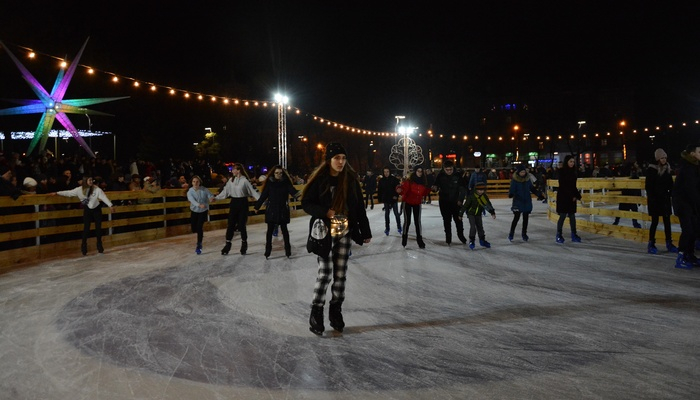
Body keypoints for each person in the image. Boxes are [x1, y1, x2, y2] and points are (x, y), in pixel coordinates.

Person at [301, 142, 372, 335]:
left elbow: (359, 207)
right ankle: (316, 311)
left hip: (344, 230)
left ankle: (336, 311)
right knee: (325, 273)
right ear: (329, 160)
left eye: (343, 158)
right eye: (337, 158)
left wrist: (365, 231)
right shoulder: (320, 180)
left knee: (340, 274)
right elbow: (306, 203)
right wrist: (325, 211)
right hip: (324, 231)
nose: (341, 162)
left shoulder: (350, 179)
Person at [52, 175, 115, 255]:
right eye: (89, 180)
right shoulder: (79, 190)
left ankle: (100, 247)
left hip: (96, 209)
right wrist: (58, 193)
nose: (91, 182)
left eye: (92, 180)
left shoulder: (96, 189)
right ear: (85, 181)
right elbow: (69, 193)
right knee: (86, 228)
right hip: (87, 210)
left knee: (98, 228)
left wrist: (110, 205)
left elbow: (103, 197)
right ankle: (84, 247)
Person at [254, 165, 300, 259]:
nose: (279, 175)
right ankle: (268, 251)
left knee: (285, 231)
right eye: (277, 173)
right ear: (273, 173)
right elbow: (263, 196)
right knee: (269, 232)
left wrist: (300, 197)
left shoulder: (286, 183)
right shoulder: (270, 184)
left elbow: (293, 191)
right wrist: (257, 207)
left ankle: (288, 250)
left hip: (283, 209)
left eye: (280, 173)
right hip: (272, 210)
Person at [215, 163, 260, 255]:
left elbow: (253, 192)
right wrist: (216, 198)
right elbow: (225, 192)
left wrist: (261, 201)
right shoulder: (231, 180)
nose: (232, 171)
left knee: (241, 225)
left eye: (233, 169)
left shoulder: (245, 181)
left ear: (238, 170)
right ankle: (228, 244)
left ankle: (244, 243)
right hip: (234, 203)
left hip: (243, 203)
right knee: (230, 224)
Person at [671, 143, 700, 269]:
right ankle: (681, 257)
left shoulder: (695, 166)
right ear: (692, 154)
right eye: (699, 152)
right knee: (688, 230)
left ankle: (689, 255)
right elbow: (690, 189)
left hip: (690, 203)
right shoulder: (687, 167)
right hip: (683, 203)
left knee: (694, 230)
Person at [645, 148, 678, 254]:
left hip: (665, 200)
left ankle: (669, 242)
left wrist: (669, 194)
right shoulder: (652, 170)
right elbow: (648, 187)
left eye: (665, 158)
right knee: (654, 222)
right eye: (662, 158)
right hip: (655, 200)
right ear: (658, 158)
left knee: (667, 222)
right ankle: (651, 243)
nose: (664, 160)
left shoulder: (667, 169)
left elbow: (670, 184)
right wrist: (653, 198)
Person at [431, 160, 468, 245]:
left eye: (450, 169)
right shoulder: (440, 176)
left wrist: (460, 200)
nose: (449, 171)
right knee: (446, 220)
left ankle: (460, 235)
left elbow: (462, 189)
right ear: (444, 169)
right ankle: (448, 237)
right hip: (444, 202)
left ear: (453, 168)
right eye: (447, 169)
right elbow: (436, 186)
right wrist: (434, 188)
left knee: (458, 220)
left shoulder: (458, 176)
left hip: (455, 202)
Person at [396, 165, 431, 248]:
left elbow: (425, 192)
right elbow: (402, 188)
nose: (419, 173)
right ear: (415, 172)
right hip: (407, 202)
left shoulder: (423, 182)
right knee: (407, 221)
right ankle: (404, 238)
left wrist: (431, 188)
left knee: (417, 222)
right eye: (418, 171)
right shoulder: (409, 181)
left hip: (417, 203)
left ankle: (420, 240)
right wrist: (398, 188)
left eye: (421, 171)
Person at [458, 181, 496, 249]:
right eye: (479, 190)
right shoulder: (471, 196)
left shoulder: (484, 196)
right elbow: (465, 206)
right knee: (473, 227)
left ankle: (482, 240)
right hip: (471, 214)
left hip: (478, 214)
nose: (481, 191)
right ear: (476, 189)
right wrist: (460, 214)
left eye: (482, 190)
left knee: (480, 227)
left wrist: (492, 212)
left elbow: (488, 204)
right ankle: (472, 240)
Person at [555, 155, 582, 244]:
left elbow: (573, 186)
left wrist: (577, 195)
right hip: (563, 196)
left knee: (572, 216)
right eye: (570, 162)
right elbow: (563, 185)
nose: (572, 163)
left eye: (573, 162)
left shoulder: (573, 172)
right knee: (562, 215)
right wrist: (572, 195)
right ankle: (559, 234)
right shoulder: (562, 172)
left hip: (571, 197)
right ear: (566, 162)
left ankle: (574, 234)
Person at [187, 175, 216, 255]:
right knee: (194, 228)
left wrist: (211, 198)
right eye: (194, 181)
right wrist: (199, 205)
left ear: (199, 182)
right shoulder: (190, 191)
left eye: (197, 181)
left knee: (199, 227)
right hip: (194, 211)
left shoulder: (204, 189)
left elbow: (210, 195)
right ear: (192, 183)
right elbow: (192, 200)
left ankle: (199, 244)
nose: (195, 183)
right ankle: (200, 235)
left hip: (203, 211)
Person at [612, 162, 643, 228]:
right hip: (629, 194)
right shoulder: (631, 174)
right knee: (625, 209)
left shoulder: (633, 175)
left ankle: (634, 223)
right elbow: (638, 187)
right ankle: (617, 221)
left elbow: (638, 187)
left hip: (630, 195)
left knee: (632, 209)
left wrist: (639, 198)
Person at [508, 164, 533, 242]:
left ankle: (524, 234)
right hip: (518, 201)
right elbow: (512, 189)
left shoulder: (527, 179)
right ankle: (511, 233)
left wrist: (539, 194)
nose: (523, 173)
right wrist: (511, 194)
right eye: (521, 172)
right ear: (518, 172)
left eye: (524, 172)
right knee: (516, 218)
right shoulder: (515, 180)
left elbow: (532, 188)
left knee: (525, 219)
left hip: (527, 201)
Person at [376, 166, 402, 235]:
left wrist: (396, 196)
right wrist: (380, 198)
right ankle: (387, 228)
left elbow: (398, 189)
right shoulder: (381, 181)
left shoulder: (394, 179)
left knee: (396, 213)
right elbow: (380, 190)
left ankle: (399, 227)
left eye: (387, 171)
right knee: (387, 214)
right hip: (386, 199)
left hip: (393, 199)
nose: (386, 173)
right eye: (385, 172)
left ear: (389, 172)